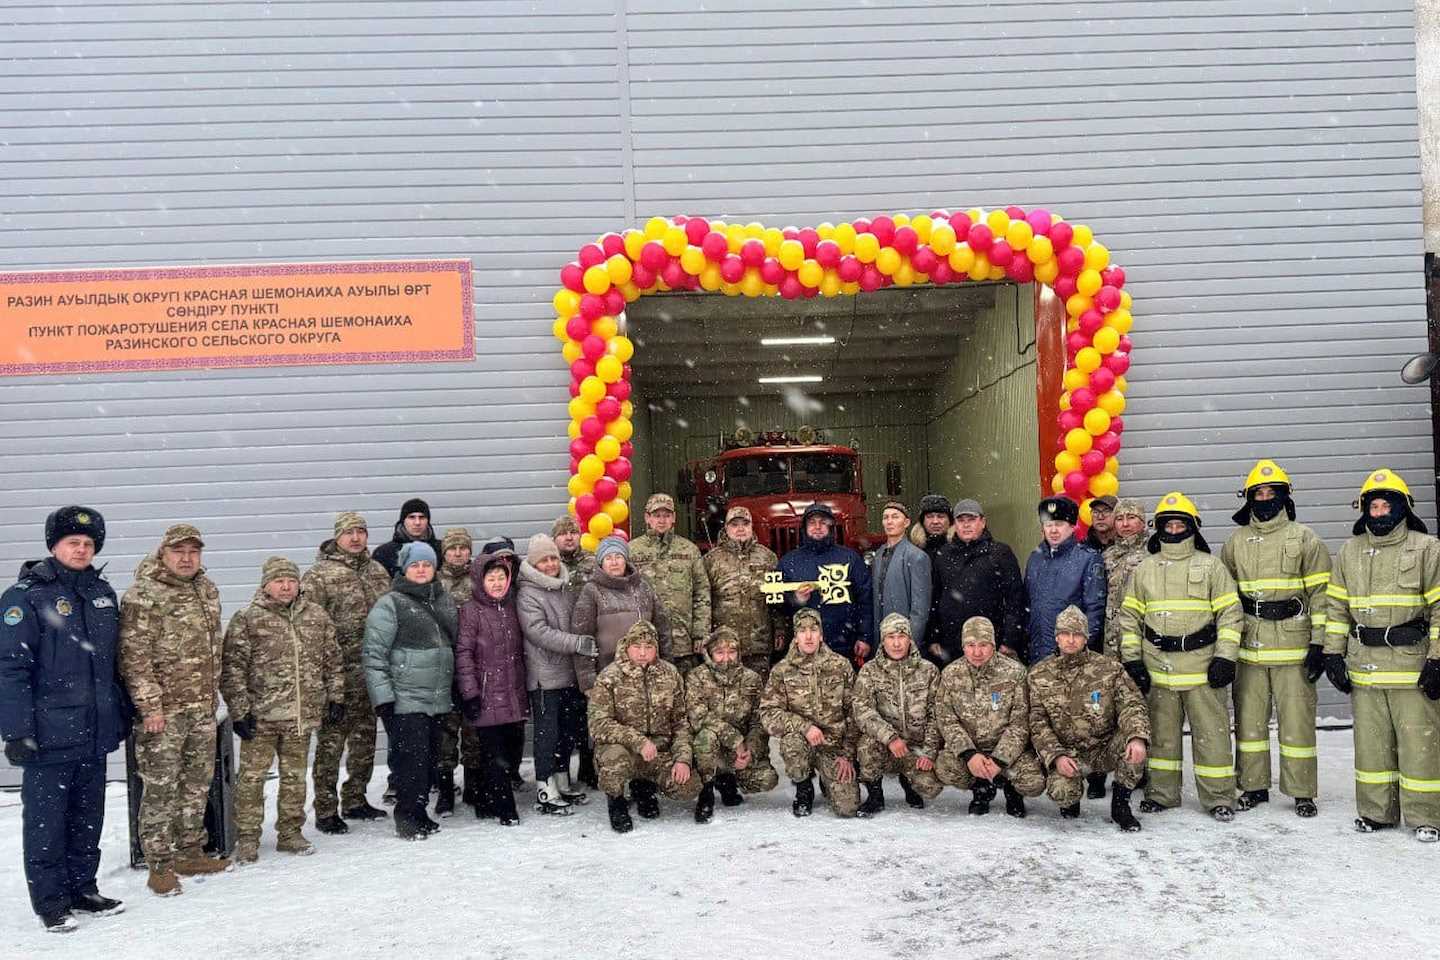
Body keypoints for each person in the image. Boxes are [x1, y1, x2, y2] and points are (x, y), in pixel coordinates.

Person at [0, 507, 130, 932]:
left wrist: (120, 711)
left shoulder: (101, 593)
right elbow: (11, 668)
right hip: (48, 736)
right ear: (53, 545)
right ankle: (51, 903)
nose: (81, 549)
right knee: (46, 823)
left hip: (94, 732)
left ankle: (83, 890)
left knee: (87, 817)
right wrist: (16, 731)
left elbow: (113, 664)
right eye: (73, 541)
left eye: (89, 543)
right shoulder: (25, 596)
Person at [1323, 468, 1440, 841]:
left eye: (1386, 503)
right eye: (1372, 505)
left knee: (1419, 746)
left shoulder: (1427, 548)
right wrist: (1332, 654)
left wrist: (1437, 659)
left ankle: (1427, 817)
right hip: (1365, 666)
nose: (1379, 510)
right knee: (1371, 747)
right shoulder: (1349, 552)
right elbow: (1337, 608)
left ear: (1402, 506)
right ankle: (1376, 813)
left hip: (1411, 666)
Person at [1117, 493, 1244, 822]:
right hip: (1158, 668)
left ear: (1192, 527)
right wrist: (1133, 662)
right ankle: (1161, 793)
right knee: (1162, 738)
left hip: (1202, 669)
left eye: (1180, 524)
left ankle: (1218, 797)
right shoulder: (1145, 569)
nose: (1174, 530)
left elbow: (1231, 614)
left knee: (1212, 737)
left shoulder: (1211, 566)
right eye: (1168, 524)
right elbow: (1129, 619)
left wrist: (1225, 658)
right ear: (1158, 529)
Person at [119, 524, 229, 894]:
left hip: (201, 707)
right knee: (160, 788)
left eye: (193, 551)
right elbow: (134, 657)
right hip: (163, 713)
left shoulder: (206, 589)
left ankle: (189, 850)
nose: (186, 558)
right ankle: (159, 864)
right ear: (163, 553)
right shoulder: (144, 595)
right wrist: (150, 706)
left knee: (197, 784)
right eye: (178, 551)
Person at [1220, 460, 1331, 818]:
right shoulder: (1235, 542)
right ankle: (1253, 786)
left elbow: (1322, 595)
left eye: (1271, 493)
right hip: (1250, 646)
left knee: (1296, 723)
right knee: (1249, 723)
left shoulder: (1306, 538)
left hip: (1294, 646)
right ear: (1249, 499)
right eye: (1258, 493)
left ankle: (1301, 791)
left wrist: (1320, 644)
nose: (1265, 498)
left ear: (1284, 497)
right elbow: (1224, 599)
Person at [221, 556, 343, 863]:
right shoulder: (248, 618)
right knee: (251, 779)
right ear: (266, 585)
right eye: (279, 581)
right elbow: (232, 668)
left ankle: (290, 833)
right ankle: (247, 837)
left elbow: (333, 660)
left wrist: (335, 696)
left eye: (291, 580)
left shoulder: (316, 616)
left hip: (300, 716)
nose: (286, 586)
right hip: (261, 716)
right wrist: (239, 710)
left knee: (294, 777)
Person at [301, 512, 391, 834]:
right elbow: (309, 631)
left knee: (365, 741)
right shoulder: (318, 577)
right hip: (336, 678)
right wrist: (322, 681)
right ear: (337, 536)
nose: (355, 538)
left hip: (372, 675)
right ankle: (325, 809)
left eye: (361, 532)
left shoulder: (378, 572)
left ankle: (355, 799)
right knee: (330, 745)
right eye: (349, 532)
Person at [362, 542, 458, 841]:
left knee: (428, 760)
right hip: (405, 699)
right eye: (415, 565)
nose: (421, 570)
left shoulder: (442, 599)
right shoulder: (390, 604)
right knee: (410, 762)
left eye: (426, 565)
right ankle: (406, 817)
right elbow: (374, 654)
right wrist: (384, 700)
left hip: (437, 697)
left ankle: (420, 813)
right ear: (405, 569)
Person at [1028, 606, 1150, 831]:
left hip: (1104, 748)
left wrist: (1136, 737)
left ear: (1086, 638)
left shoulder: (1109, 669)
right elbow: (1037, 723)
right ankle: (1072, 800)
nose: (1071, 640)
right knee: (1061, 792)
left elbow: (1132, 705)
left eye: (1077, 635)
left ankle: (1121, 805)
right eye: (1066, 634)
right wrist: (1056, 756)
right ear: (1057, 637)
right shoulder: (1039, 674)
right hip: (1068, 754)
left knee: (1134, 743)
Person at [588, 620, 701, 833]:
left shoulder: (670, 674)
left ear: (656, 649)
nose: (642, 653)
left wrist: (683, 759)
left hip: (659, 751)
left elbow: (680, 722)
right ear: (626, 646)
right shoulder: (609, 677)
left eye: (648, 648)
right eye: (637, 647)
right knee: (614, 762)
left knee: (689, 786)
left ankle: (644, 789)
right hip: (624, 749)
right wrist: (638, 741)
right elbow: (598, 724)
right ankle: (617, 802)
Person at [933, 616, 1045, 818]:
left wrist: (1000, 760)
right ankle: (981, 789)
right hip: (972, 749)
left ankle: (1013, 791)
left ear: (993, 645)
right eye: (970, 645)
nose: (977, 652)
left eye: (983, 645)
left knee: (1033, 783)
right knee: (945, 767)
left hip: (1009, 752)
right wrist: (969, 754)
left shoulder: (1015, 673)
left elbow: (1021, 722)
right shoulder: (951, 674)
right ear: (963, 646)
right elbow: (946, 719)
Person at [516, 534, 597, 815]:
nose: (550, 564)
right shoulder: (527, 593)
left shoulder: (565, 586)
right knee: (546, 733)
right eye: (544, 560)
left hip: (567, 672)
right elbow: (538, 632)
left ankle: (562, 779)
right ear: (533, 563)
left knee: (567, 731)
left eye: (553, 558)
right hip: (544, 676)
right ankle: (545, 784)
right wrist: (576, 643)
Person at [759, 608, 862, 818]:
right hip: (802, 742)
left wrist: (847, 754)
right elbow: (768, 714)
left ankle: (828, 778)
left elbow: (855, 712)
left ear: (821, 635)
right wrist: (804, 727)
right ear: (795, 637)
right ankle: (803, 786)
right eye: (802, 631)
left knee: (848, 808)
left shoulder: (840, 666)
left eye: (814, 630)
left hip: (834, 746)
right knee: (791, 743)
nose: (808, 636)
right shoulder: (782, 670)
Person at [456, 550, 528, 825]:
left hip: (511, 693)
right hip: (486, 694)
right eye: (491, 578)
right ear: (480, 581)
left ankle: (487, 798)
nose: (497, 583)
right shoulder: (471, 611)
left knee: (509, 750)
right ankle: (504, 808)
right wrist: (470, 692)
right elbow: (463, 653)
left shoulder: (511, 608)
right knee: (493, 753)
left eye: (502, 578)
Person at [849, 613, 942, 815]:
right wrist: (890, 738)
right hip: (884, 745)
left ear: (910, 639)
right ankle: (875, 794)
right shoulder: (870, 671)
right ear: (883, 641)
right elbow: (862, 711)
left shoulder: (929, 671)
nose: (897, 643)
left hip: (915, 748)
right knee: (867, 745)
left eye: (902, 637)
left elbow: (938, 715)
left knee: (931, 788)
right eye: (891, 637)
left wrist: (929, 751)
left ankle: (909, 781)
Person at [685, 626, 779, 822]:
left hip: (739, 751)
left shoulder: (751, 679)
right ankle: (707, 789)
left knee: (767, 779)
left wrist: (750, 750)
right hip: (709, 750)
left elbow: (758, 720)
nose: (726, 658)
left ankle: (728, 780)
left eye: (731, 652)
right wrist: (735, 739)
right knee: (706, 737)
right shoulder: (696, 677)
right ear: (710, 654)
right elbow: (698, 717)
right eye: (720, 652)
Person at [1090, 496, 1148, 799]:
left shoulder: (1154, 553)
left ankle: (1140, 770)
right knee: (1107, 708)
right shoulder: (1107, 556)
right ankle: (1103, 768)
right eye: (1121, 519)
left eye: (1131, 519)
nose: (1125, 525)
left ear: (1143, 521)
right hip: (1109, 644)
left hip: (1139, 642)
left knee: (1139, 706)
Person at [926, 499, 1027, 666]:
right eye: (961, 520)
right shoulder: (943, 555)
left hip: (990, 643)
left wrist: (1009, 640)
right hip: (952, 643)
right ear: (954, 524)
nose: (966, 525)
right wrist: (933, 637)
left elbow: (1015, 599)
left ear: (983, 522)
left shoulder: (1000, 553)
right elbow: (935, 598)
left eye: (971, 520)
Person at [778, 502, 874, 664]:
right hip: (803, 648)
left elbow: (865, 599)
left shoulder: (849, 558)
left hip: (844, 644)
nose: (817, 527)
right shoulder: (788, 562)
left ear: (830, 527)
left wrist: (864, 636)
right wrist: (795, 599)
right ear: (804, 528)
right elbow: (777, 604)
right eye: (812, 523)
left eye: (823, 523)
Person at [573, 535, 671, 692]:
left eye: (618, 556)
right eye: (608, 558)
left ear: (626, 560)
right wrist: (588, 683)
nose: (614, 562)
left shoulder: (643, 587)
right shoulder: (591, 591)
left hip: (647, 672)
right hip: (608, 675)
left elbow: (662, 628)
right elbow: (583, 638)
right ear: (601, 563)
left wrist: (666, 666)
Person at [630, 493, 710, 673]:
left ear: (673, 518)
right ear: (647, 517)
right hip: (645, 644)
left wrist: (700, 633)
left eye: (666, 515)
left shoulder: (689, 550)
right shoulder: (632, 551)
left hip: (683, 642)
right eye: (656, 515)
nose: (661, 520)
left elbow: (701, 593)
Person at [1024, 496, 1106, 663]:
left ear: (1072, 527)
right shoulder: (1035, 558)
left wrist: (1080, 648)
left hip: (1071, 654)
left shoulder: (1087, 558)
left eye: (1059, 524)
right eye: (1049, 525)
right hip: (1037, 654)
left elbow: (1095, 609)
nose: (1053, 530)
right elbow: (1027, 604)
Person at [703, 505, 781, 679]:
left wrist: (780, 629)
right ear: (726, 528)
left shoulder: (767, 557)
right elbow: (703, 600)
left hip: (758, 643)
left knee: (758, 693)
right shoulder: (711, 560)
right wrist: (704, 635)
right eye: (734, 524)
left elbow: (776, 599)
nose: (740, 529)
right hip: (723, 646)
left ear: (751, 527)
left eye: (745, 524)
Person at [435, 527, 479, 817]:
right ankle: (446, 789)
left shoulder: (478, 578)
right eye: (453, 549)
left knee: (474, 728)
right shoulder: (434, 581)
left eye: (463, 548)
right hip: (444, 667)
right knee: (446, 732)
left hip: (476, 664)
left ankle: (475, 785)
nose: (458, 553)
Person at [870, 500, 932, 644]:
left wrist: (910, 642)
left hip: (902, 640)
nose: (889, 521)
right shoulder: (879, 555)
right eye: (886, 517)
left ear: (906, 522)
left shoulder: (917, 557)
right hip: (881, 639)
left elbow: (920, 610)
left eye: (895, 517)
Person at [371, 497, 443, 578]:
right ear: (403, 520)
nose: (417, 522)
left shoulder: (441, 550)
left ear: (428, 520)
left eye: (422, 517)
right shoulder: (384, 553)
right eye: (411, 517)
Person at [553, 515, 595, 593]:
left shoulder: (593, 560)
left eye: (573, 532)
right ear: (554, 538)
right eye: (563, 533)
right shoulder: (548, 563)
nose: (569, 538)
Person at [909, 493, 953, 563]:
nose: (935, 521)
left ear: (950, 521)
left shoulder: (961, 549)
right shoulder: (911, 552)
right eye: (930, 516)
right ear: (922, 521)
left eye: (940, 516)